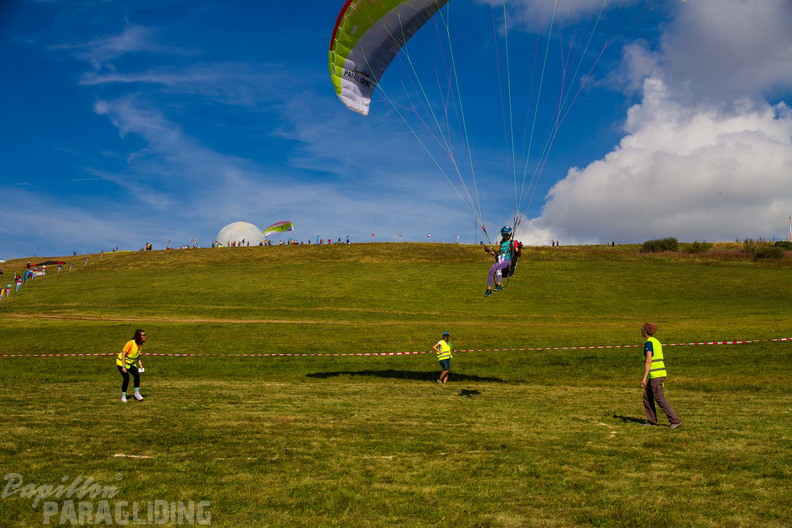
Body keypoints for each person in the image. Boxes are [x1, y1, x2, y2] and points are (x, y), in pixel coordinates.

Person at [640, 323, 682, 428]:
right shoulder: (656, 341)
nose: (640, 330)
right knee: (647, 396)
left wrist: (644, 378)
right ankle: (651, 420)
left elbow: (649, 361)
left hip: (656, 375)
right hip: (657, 374)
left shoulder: (649, 343)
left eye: (642, 329)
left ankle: (675, 420)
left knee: (659, 397)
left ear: (645, 331)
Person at [483, 226, 521, 297]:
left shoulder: (513, 242)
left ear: (509, 234)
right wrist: (489, 251)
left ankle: (499, 285)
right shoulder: (502, 244)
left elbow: (517, 253)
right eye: (503, 234)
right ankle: (489, 290)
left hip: (507, 261)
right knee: (491, 270)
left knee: (498, 267)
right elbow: (498, 254)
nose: (504, 236)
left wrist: (519, 247)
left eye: (505, 234)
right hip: (501, 260)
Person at [117, 329, 147, 402]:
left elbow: (137, 354)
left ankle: (136, 393)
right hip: (121, 362)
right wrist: (123, 366)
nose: (145, 336)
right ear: (138, 336)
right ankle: (123, 396)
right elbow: (123, 354)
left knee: (137, 375)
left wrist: (140, 363)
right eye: (143, 335)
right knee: (126, 378)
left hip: (130, 363)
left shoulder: (139, 344)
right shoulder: (130, 343)